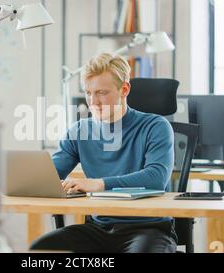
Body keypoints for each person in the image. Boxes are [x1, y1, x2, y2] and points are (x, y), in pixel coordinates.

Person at [29, 53, 177, 253]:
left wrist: (99, 184)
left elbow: (156, 178)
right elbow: (50, 177)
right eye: (88, 93)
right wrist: (29, 179)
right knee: (41, 250)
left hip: (147, 228)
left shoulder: (155, 126)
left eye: (101, 92)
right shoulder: (80, 131)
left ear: (124, 89)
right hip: (98, 228)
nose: (93, 102)